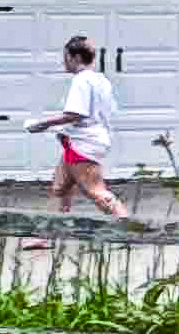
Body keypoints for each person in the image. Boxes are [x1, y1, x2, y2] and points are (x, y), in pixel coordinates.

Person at [30, 35, 129, 218]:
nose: (63, 62)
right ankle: (48, 233)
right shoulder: (101, 80)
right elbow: (107, 112)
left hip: (84, 144)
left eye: (65, 57)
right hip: (81, 141)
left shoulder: (81, 81)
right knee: (60, 187)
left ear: (75, 58)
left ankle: (129, 227)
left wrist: (43, 124)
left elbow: (76, 114)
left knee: (96, 191)